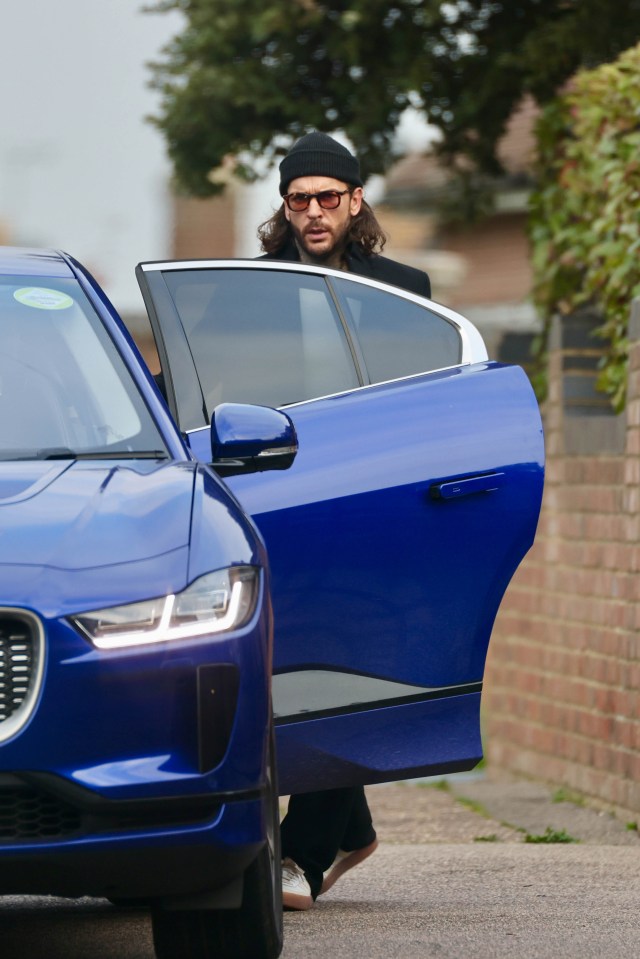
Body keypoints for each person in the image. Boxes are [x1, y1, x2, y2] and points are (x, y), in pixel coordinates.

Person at [257, 131, 432, 911]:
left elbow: (432, 396)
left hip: (372, 502)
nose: (316, 211)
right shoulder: (245, 291)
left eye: (330, 197)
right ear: (285, 206)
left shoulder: (402, 287)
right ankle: (351, 828)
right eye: (301, 199)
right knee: (293, 672)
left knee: (355, 665)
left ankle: (303, 851)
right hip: (280, 499)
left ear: (356, 201)